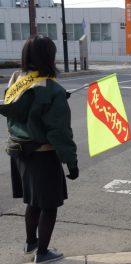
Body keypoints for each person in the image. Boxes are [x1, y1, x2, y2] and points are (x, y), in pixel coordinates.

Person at [0, 35, 78, 263]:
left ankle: (31, 242)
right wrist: (71, 163)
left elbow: (25, 108)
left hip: (19, 152)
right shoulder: (52, 90)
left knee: (33, 202)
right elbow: (59, 133)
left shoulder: (16, 80)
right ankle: (42, 253)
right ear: (49, 58)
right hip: (43, 155)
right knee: (49, 205)